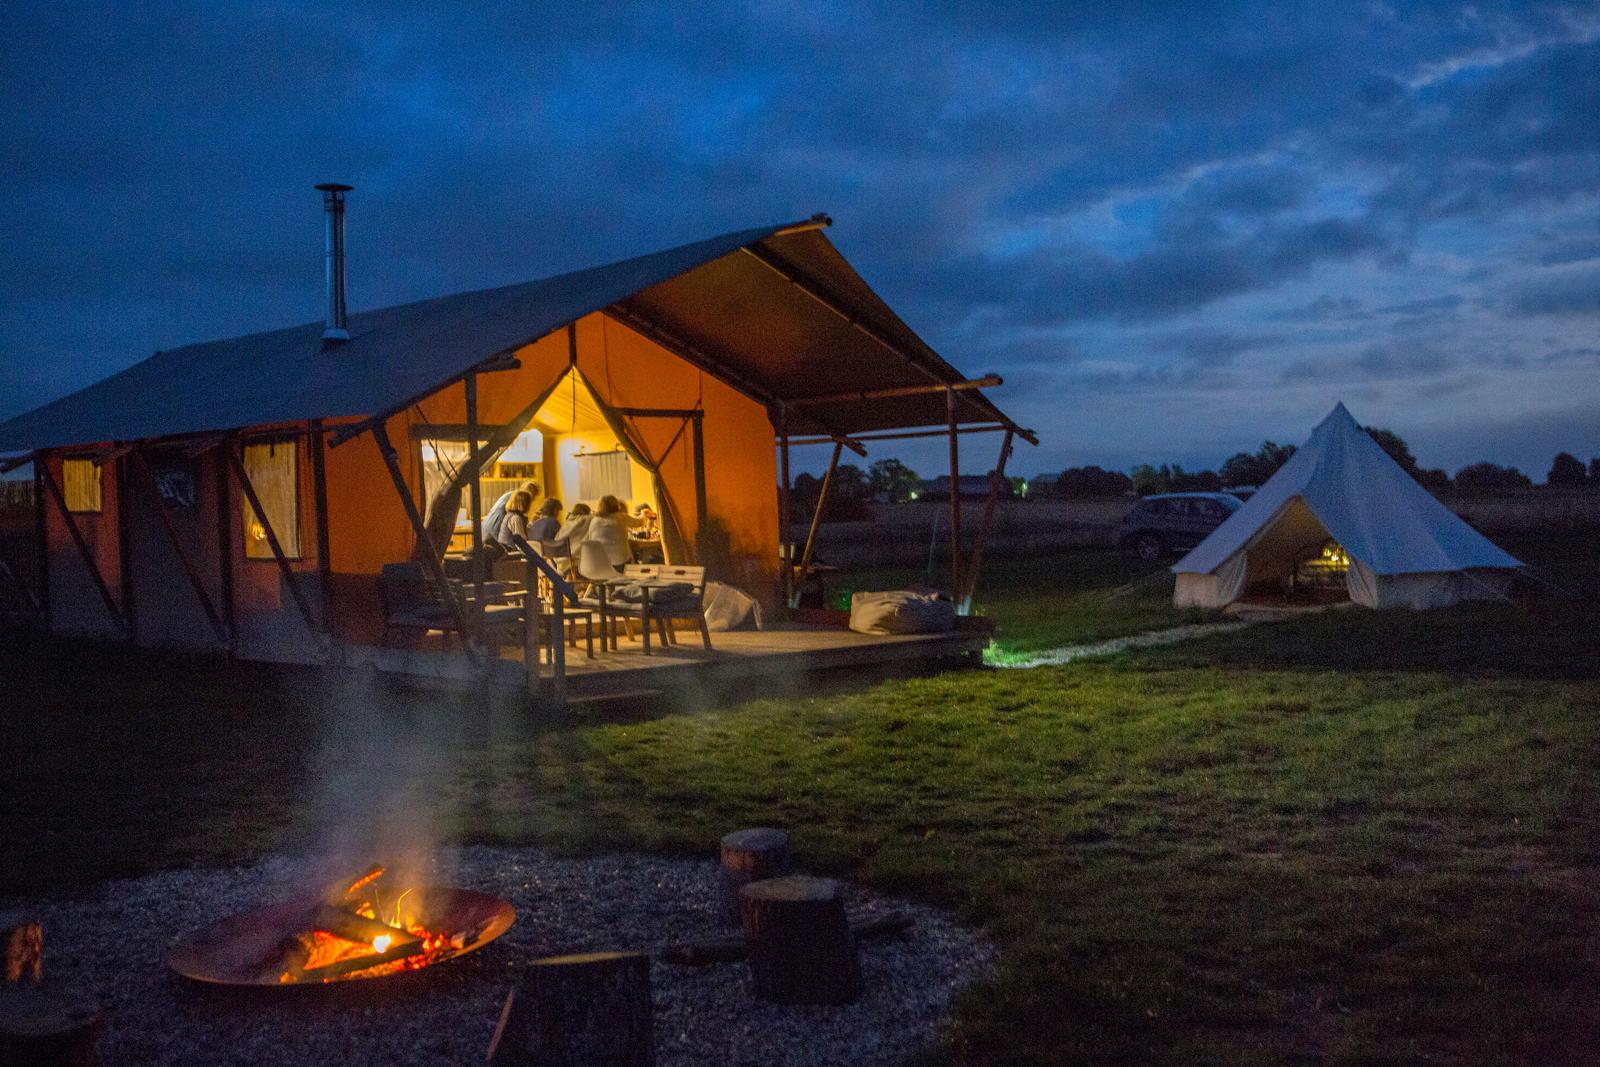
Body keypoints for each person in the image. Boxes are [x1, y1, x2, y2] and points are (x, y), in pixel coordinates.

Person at [584, 495, 645, 566]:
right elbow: (640, 522)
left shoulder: (594, 520)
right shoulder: (621, 517)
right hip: (620, 565)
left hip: (598, 565)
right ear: (616, 505)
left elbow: (591, 539)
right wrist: (644, 514)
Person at [484, 480, 539, 544]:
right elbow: (521, 539)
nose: (532, 503)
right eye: (532, 498)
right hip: (494, 535)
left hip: (491, 533)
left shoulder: (512, 498)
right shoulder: (515, 514)